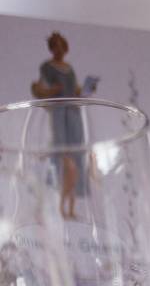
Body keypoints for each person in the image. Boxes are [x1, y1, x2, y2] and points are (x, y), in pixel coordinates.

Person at [30, 32, 94, 219]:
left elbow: (75, 91)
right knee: (62, 156)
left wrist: (87, 89)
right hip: (58, 113)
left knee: (77, 158)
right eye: (55, 45)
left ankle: (70, 209)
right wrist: (52, 90)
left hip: (73, 114)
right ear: (51, 47)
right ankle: (57, 206)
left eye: (61, 45)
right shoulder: (47, 67)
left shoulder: (70, 68)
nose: (58, 49)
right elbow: (38, 89)